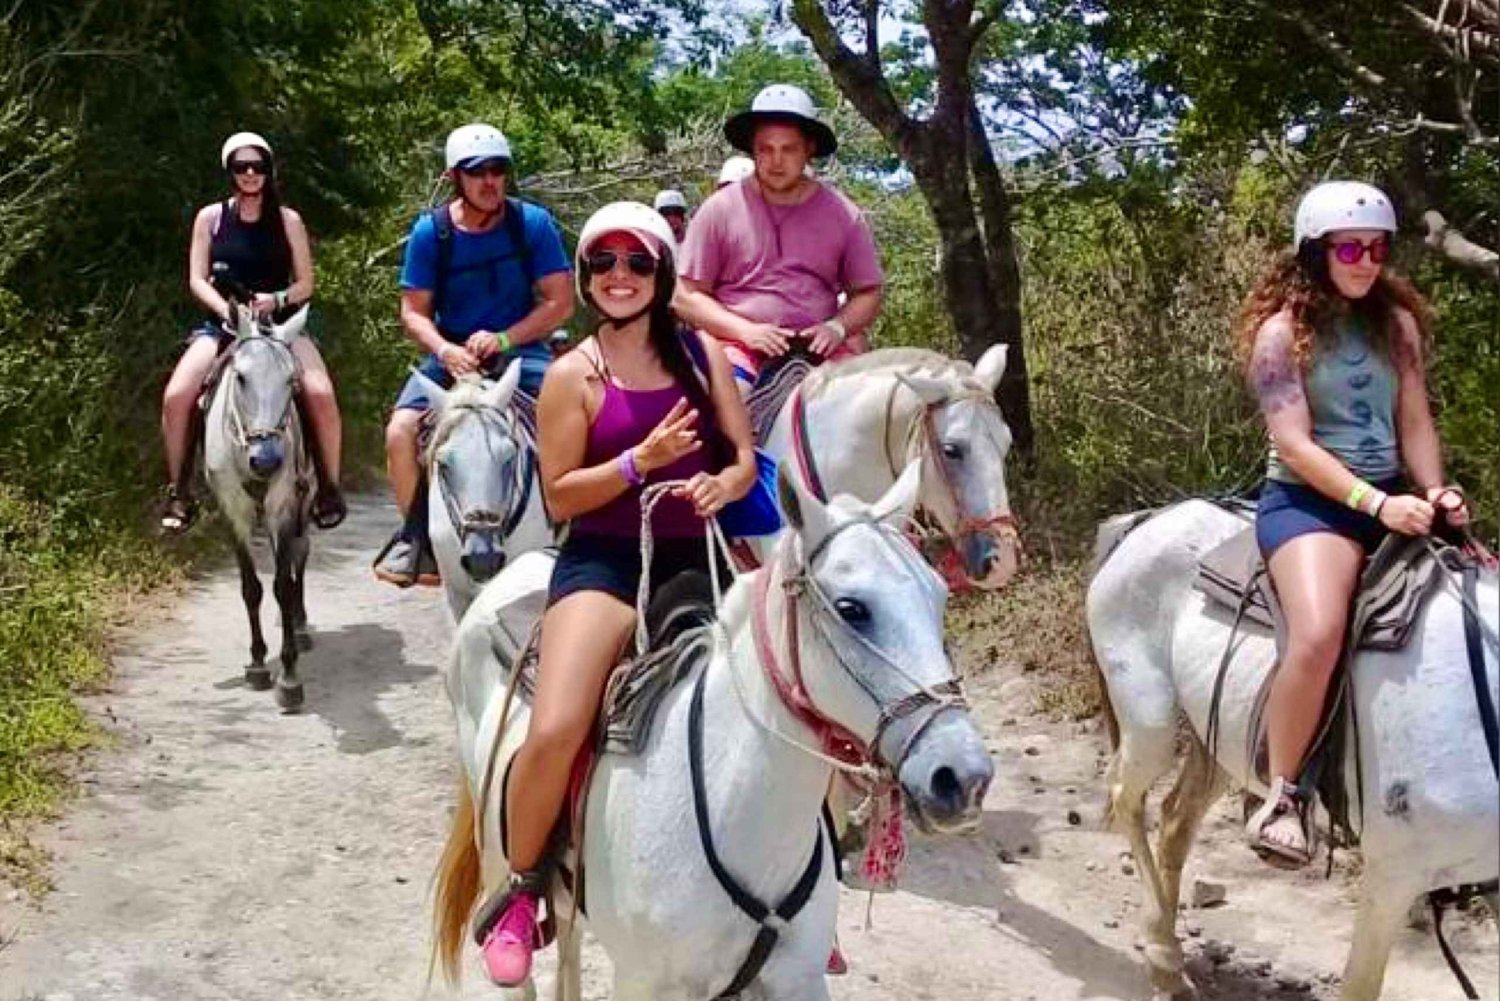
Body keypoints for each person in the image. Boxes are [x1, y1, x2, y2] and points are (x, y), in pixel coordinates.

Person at [475, 201, 756, 986]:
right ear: (587, 275)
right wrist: (641, 461)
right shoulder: (573, 373)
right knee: (557, 723)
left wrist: (722, 483)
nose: (619, 275)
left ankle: (806, 879)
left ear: (662, 272)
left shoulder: (702, 352)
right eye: (603, 262)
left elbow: (742, 457)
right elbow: (560, 495)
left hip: (695, 552)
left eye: (637, 261)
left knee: (786, 688)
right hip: (602, 558)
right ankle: (521, 887)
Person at [1241, 180, 1470, 869]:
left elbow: (1415, 420)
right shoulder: (1280, 336)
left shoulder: (1395, 325)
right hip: (1310, 505)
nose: (1366, 261)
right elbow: (1294, 444)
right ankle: (1284, 793)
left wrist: (1436, 488)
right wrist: (1376, 504)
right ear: (1316, 252)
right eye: (1350, 248)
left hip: (1396, 495)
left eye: (1376, 248)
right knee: (1317, 634)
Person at [375, 123, 574, 586]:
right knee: (401, 431)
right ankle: (417, 539)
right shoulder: (432, 233)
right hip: (451, 354)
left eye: (498, 170)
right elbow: (413, 312)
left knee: (574, 418)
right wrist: (445, 350)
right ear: (454, 177)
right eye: (477, 172)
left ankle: (580, 529)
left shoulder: (532, 224)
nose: (489, 181)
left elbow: (560, 302)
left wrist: (504, 338)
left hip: (522, 350)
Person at [161, 131, 345, 534]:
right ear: (229, 171)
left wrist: (275, 300)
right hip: (224, 327)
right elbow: (197, 279)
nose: (249, 173)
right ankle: (179, 490)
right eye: (241, 167)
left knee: (320, 393)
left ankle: (328, 486)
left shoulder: (288, 220)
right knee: (177, 396)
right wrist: (225, 310)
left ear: (268, 170)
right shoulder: (210, 218)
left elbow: (306, 284)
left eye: (257, 166)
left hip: (281, 328)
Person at [678, 84, 885, 389]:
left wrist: (837, 328)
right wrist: (745, 331)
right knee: (730, 396)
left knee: (871, 402)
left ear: (808, 149)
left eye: (788, 149)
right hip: (737, 347)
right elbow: (685, 295)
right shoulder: (718, 210)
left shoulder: (843, 213)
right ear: (753, 150)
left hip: (819, 347)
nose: (776, 161)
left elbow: (868, 292)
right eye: (766, 149)